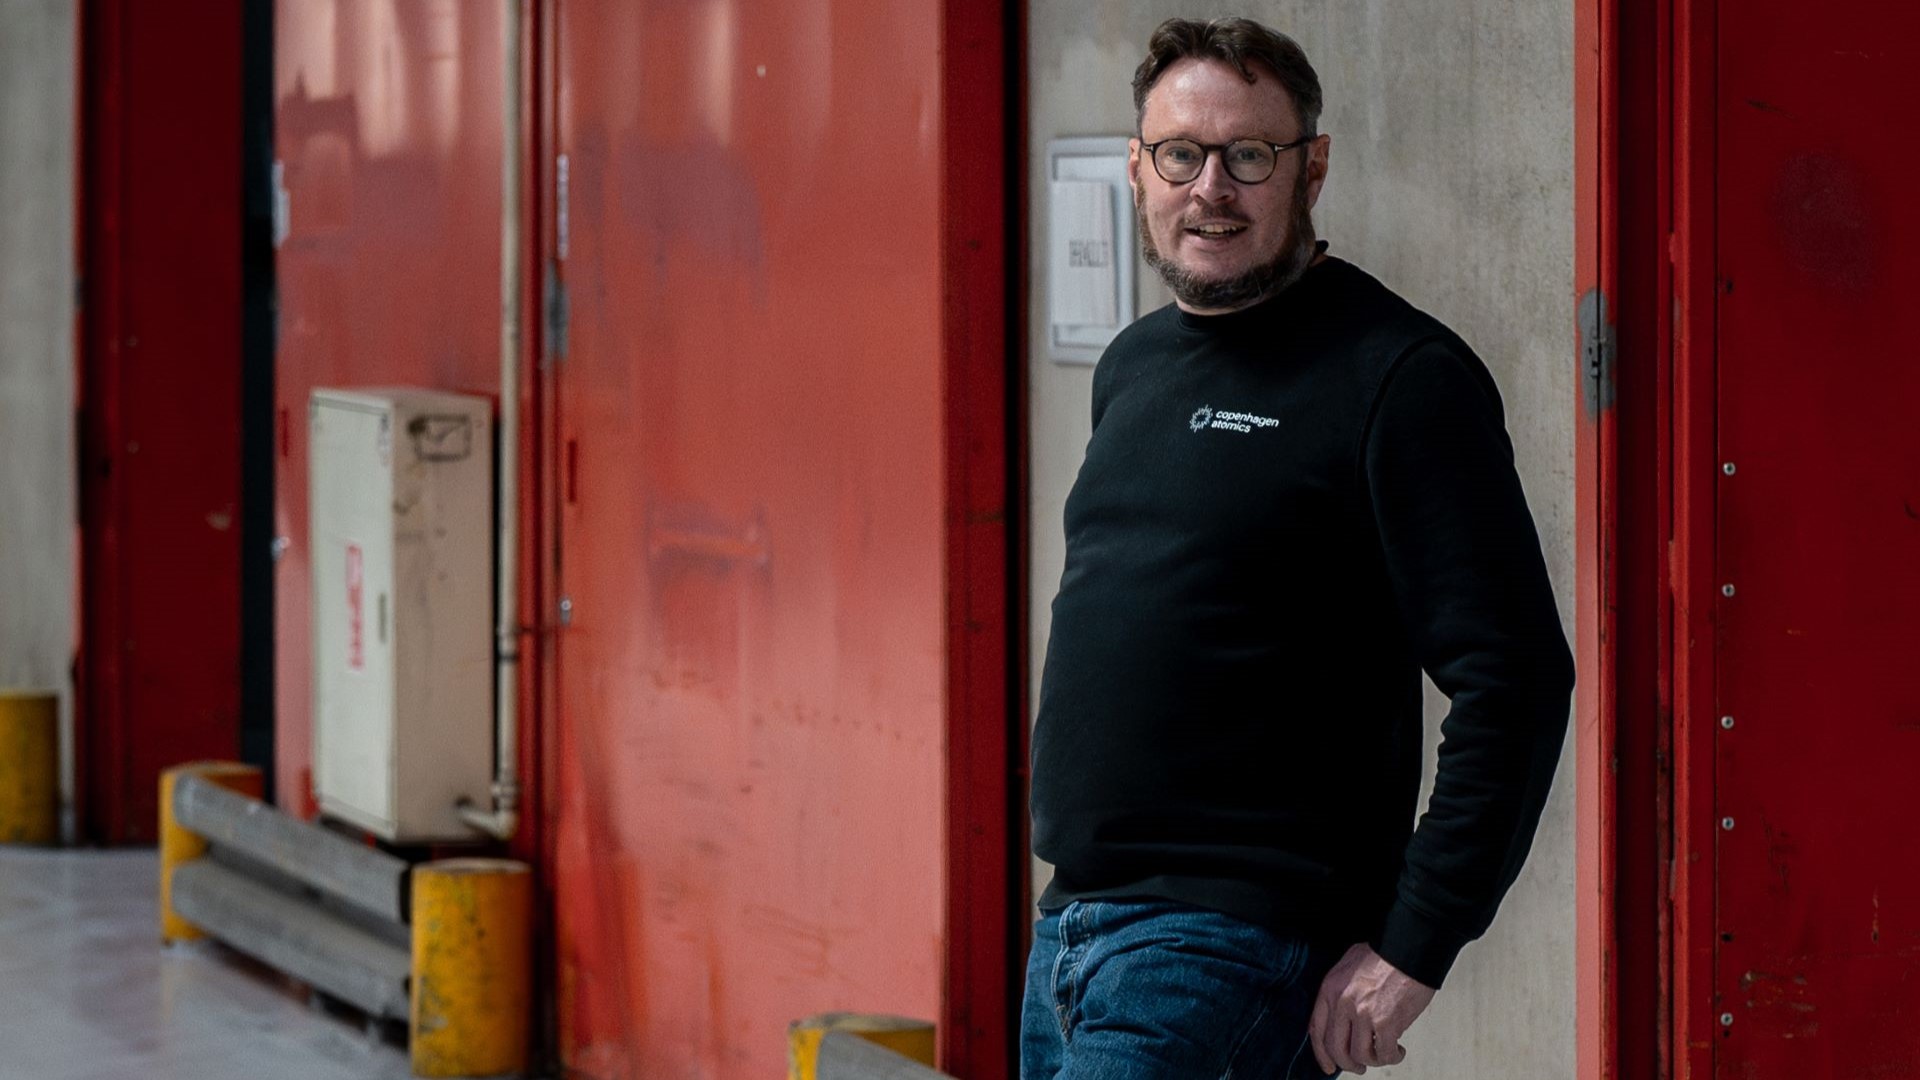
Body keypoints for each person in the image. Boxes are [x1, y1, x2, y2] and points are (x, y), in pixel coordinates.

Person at [1023, 16, 1575, 1079]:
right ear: (1139, 168)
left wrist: (1416, 947)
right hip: (1074, 933)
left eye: (1249, 156)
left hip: (1230, 950)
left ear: (1309, 168)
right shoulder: (1131, 370)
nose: (1211, 187)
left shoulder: (1398, 378)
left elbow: (1515, 678)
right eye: (1182, 154)